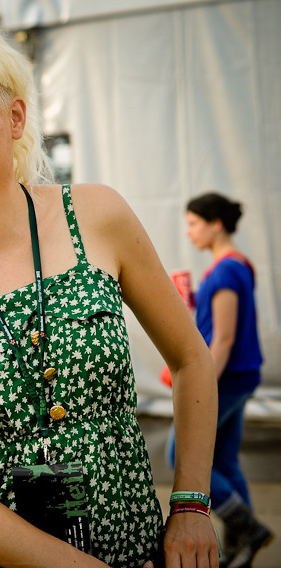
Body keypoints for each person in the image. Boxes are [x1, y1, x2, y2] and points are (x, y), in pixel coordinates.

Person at [0, 19, 219, 568]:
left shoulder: (98, 216)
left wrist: (192, 504)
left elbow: (192, 359)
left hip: (134, 550)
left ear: (14, 118)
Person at [165, 192, 272, 568]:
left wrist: (202, 386)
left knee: (178, 452)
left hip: (224, 377)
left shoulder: (227, 269)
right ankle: (243, 538)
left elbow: (223, 337)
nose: (189, 231)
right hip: (239, 375)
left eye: (194, 223)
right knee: (224, 460)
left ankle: (247, 527)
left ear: (216, 224)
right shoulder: (235, 265)